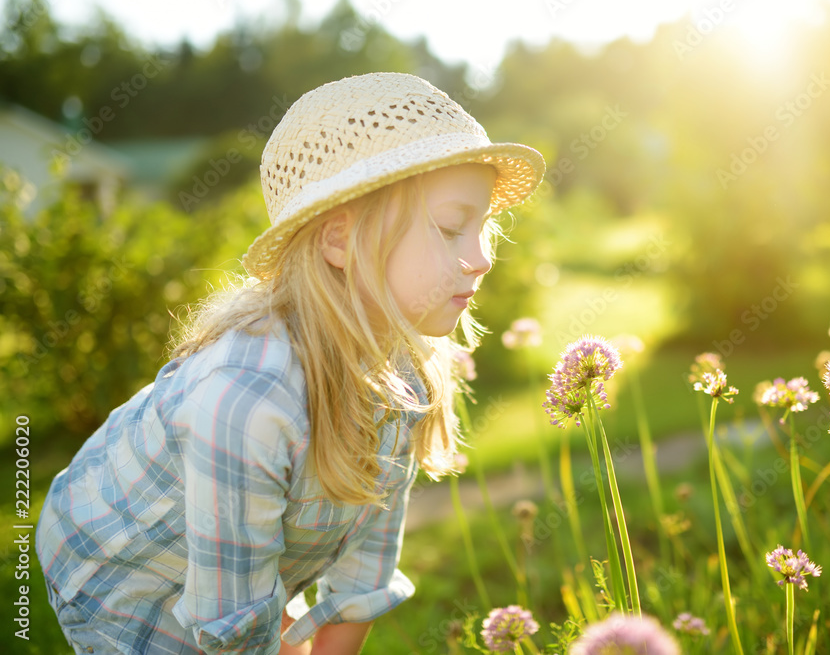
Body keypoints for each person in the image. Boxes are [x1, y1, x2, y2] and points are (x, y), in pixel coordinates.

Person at [36, 72, 545, 654]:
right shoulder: (248, 396)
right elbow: (232, 630)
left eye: (484, 227)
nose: (481, 258)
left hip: (236, 556)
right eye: (453, 227)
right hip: (118, 570)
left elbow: (364, 577)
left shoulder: (407, 371)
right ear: (337, 240)